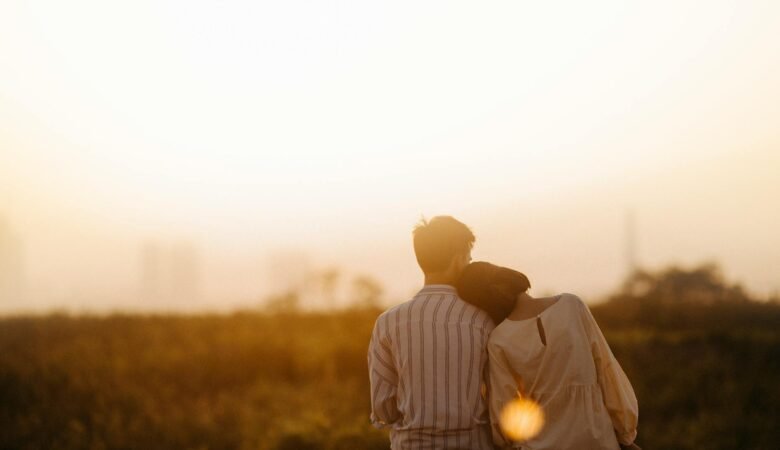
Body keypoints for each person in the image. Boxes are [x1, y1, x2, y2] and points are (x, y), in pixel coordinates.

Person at [457, 262, 640, 450]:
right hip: (598, 440)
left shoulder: (499, 340)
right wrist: (626, 434)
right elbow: (607, 372)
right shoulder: (572, 306)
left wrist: (505, 441)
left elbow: (504, 408)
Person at [367, 216, 496, 449]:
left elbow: (383, 407)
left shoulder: (387, 322)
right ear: (458, 260)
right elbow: (498, 397)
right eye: (468, 258)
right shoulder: (482, 320)